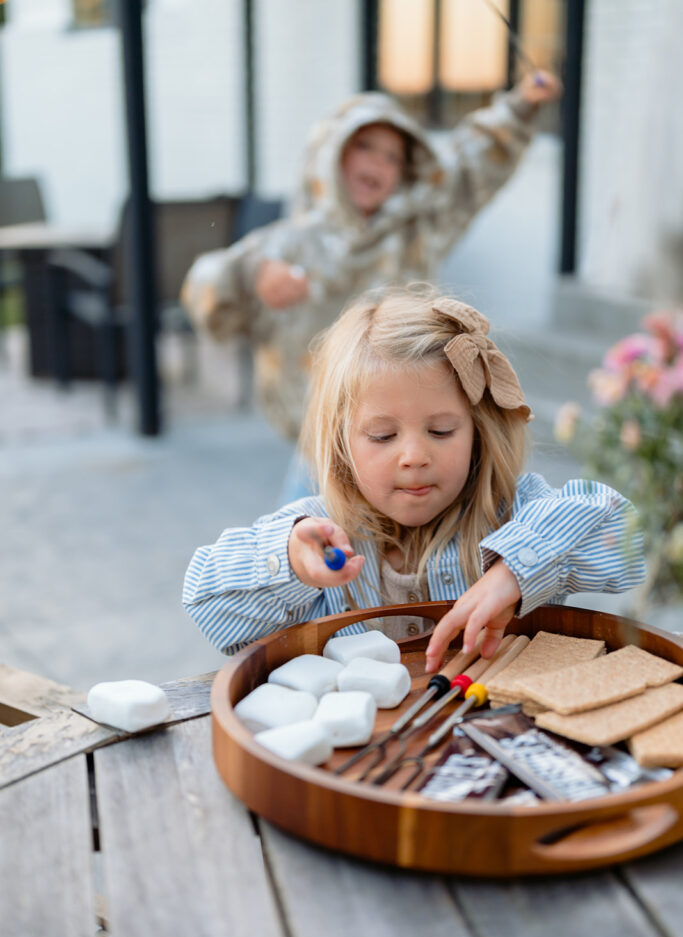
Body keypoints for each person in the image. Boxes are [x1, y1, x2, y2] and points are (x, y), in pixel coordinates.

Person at [183, 286, 645, 669]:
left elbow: (632, 539)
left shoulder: (514, 512)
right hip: (366, 760)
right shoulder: (321, 534)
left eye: (441, 430)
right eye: (383, 436)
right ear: (343, 442)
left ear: (476, 432)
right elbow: (206, 604)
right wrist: (289, 562)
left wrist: (514, 573)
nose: (414, 456)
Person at [181, 72, 562, 499]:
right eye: (363, 147)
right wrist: (251, 277)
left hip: (409, 436)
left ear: (407, 172)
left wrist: (520, 106)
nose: (376, 163)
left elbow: (470, 164)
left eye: (392, 157)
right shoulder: (287, 245)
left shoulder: (417, 228)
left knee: (422, 552)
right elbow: (202, 287)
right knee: (312, 549)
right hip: (324, 453)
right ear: (330, 153)